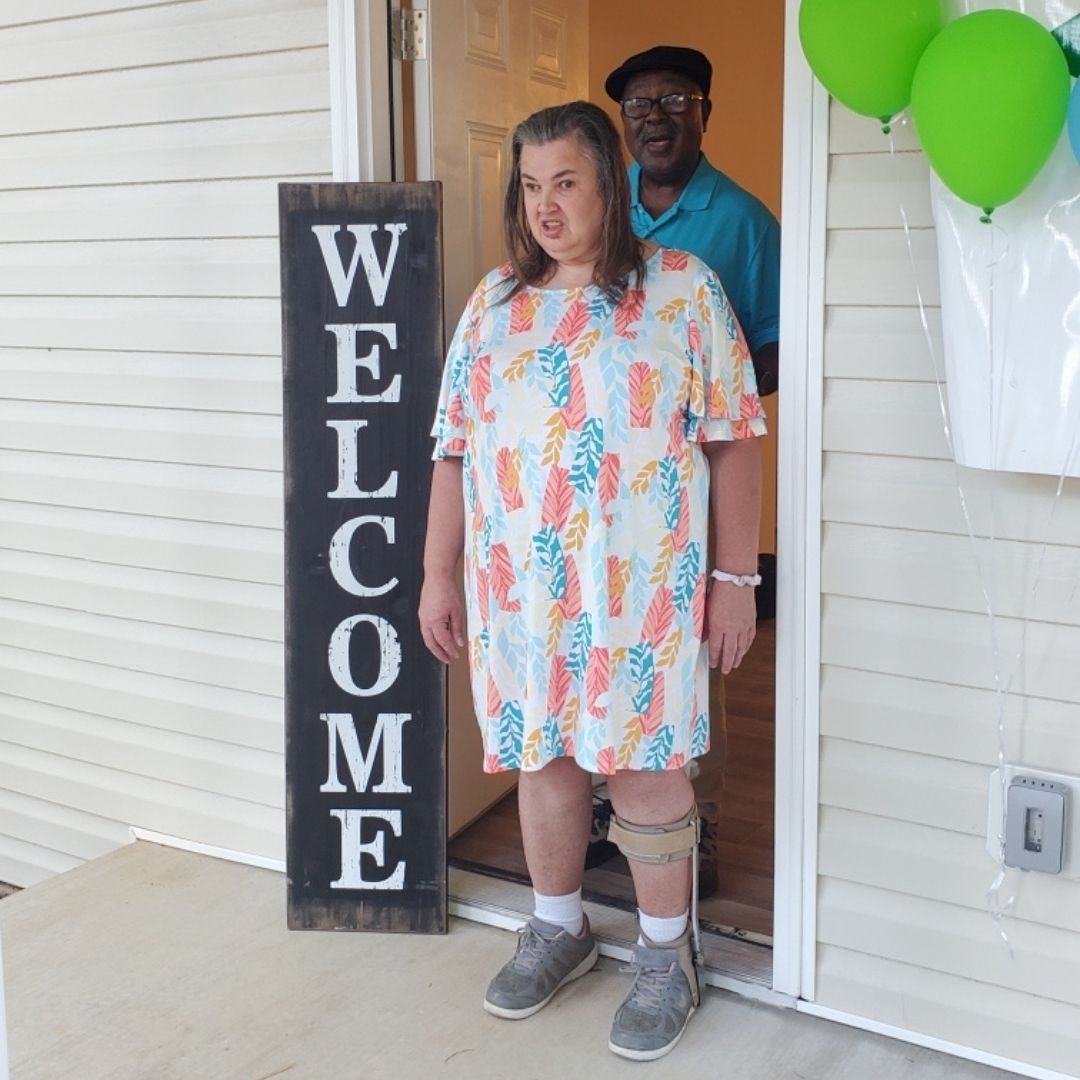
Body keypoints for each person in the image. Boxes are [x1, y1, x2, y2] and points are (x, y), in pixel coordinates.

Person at [419, 101, 765, 1062]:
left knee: (648, 765)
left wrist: (737, 578)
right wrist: (435, 572)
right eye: (530, 187)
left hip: (643, 593)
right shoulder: (494, 303)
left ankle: (667, 956)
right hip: (521, 598)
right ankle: (559, 926)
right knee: (547, 758)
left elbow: (734, 441)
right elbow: (453, 450)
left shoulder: (683, 292)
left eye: (565, 182)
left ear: (608, 182)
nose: (546, 208)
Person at [605, 45, 781, 395]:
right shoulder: (599, 206)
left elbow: (777, 346)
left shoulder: (748, 223)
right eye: (637, 104)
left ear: (705, 114)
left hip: (695, 438)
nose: (654, 116)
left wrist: (712, 392)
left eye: (675, 99)